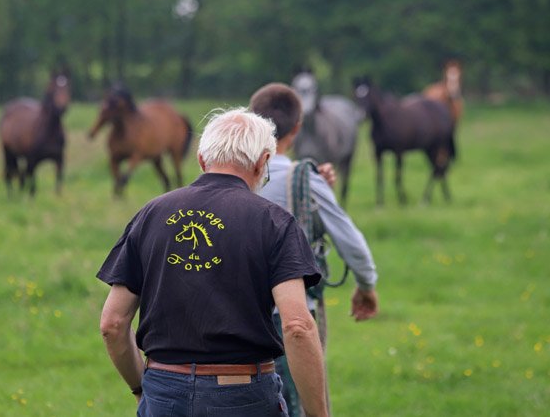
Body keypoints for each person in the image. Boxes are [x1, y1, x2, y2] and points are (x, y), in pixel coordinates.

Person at [97, 107, 330, 417]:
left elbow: (112, 324)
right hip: (244, 396)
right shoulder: (275, 222)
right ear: (262, 162)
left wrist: (141, 388)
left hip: (163, 392)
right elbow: (298, 326)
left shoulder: (150, 215)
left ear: (202, 159)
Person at [250, 83, 379, 416]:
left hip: (234, 318)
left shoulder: (229, 178)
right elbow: (351, 241)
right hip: (290, 318)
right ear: (297, 128)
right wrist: (366, 286)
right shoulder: (301, 178)